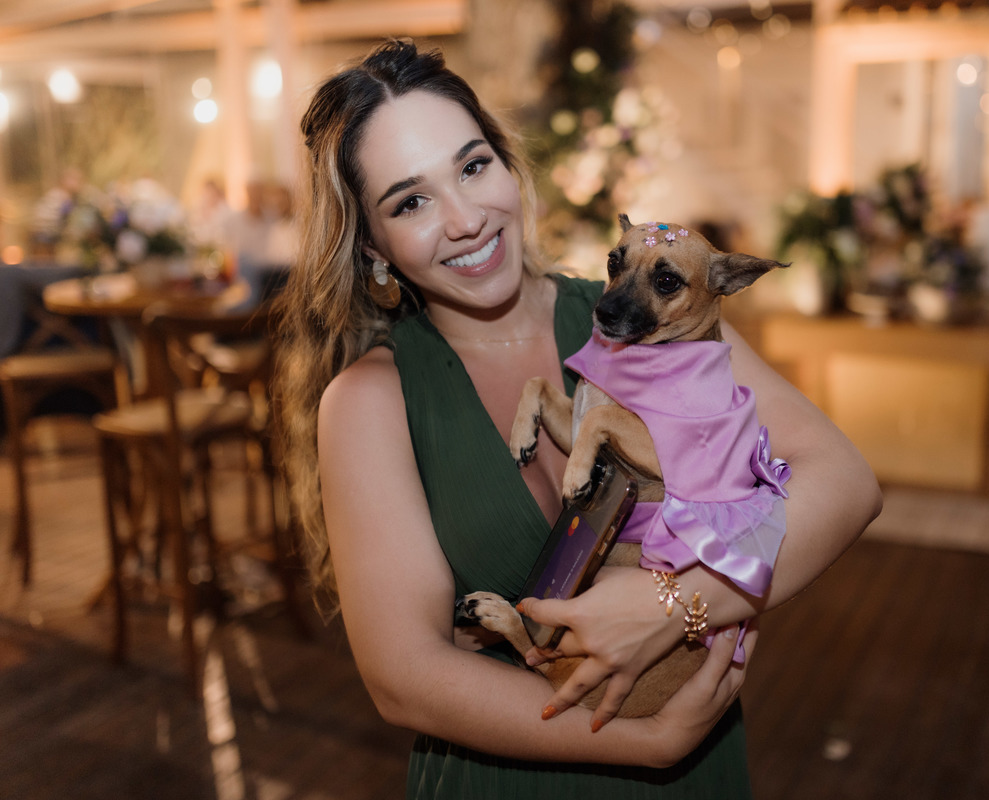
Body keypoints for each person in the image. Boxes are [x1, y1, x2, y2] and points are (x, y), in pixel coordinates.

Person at [275, 39, 881, 798]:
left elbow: (846, 483)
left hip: (694, 763)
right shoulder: (371, 399)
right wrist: (646, 742)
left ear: (508, 166)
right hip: (519, 774)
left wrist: (673, 606)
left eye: (472, 167)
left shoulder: (654, 320)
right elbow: (405, 677)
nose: (464, 218)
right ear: (373, 245)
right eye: (411, 202)